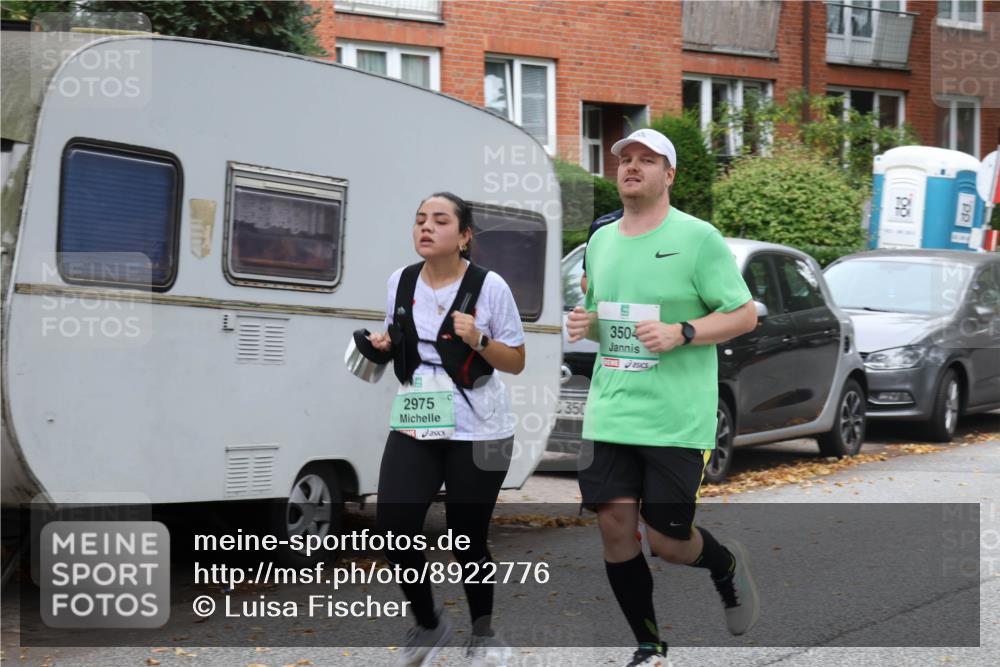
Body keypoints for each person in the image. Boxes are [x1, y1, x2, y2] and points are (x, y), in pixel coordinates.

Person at [566, 129, 760, 667]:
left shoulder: (698, 238)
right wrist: (587, 324)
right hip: (612, 408)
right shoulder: (601, 241)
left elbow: (743, 314)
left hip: (676, 416)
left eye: (645, 160)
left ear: (668, 175)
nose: (631, 166)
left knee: (670, 542)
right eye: (624, 158)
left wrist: (685, 332)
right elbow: (608, 318)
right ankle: (649, 646)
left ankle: (724, 566)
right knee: (613, 527)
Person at [367, 192, 526, 667]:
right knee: (394, 527)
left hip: (480, 427)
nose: (426, 228)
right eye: (419, 220)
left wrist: (479, 338)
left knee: (466, 535)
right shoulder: (401, 281)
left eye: (439, 220)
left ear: (464, 236)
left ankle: (483, 635)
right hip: (417, 417)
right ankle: (429, 623)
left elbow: (516, 361)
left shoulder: (490, 286)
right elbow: (398, 342)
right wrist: (382, 345)